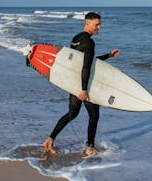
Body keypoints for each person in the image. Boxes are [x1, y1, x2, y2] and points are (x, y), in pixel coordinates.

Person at [43, 12, 120, 156]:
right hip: (83, 85)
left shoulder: (76, 38)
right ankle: (90, 147)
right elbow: (86, 66)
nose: (99, 27)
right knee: (94, 115)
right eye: (97, 24)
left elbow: (82, 62)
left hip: (73, 83)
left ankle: (49, 140)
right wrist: (84, 89)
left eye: (99, 24)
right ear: (88, 23)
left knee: (72, 113)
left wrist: (108, 55)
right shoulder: (89, 42)